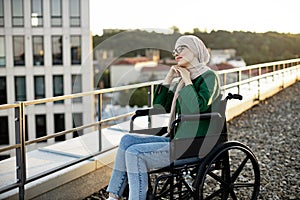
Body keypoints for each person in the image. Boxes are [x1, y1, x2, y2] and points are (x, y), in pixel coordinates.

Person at [106, 35, 221, 200]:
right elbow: (159, 108)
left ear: (195, 50)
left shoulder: (209, 77)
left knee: (134, 153)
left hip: (194, 143)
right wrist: (168, 79)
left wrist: (187, 81)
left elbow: (197, 108)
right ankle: (113, 196)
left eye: (181, 48)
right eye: (175, 50)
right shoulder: (181, 81)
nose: (176, 53)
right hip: (177, 138)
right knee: (126, 141)